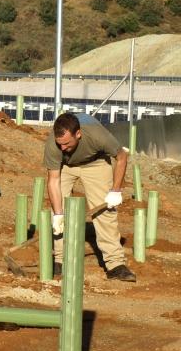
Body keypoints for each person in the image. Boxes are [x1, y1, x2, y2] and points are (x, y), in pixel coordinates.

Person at [44, 112, 135, 282]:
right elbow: (53, 180)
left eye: (67, 143)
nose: (62, 148)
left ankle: (115, 264)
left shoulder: (97, 135)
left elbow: (121, 157)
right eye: (60, 144)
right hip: (66, 166)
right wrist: (58, 214)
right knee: (58, 214)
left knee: (105, 211)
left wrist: (116, 190)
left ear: (78, 134)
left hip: (96, 163)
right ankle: (60, 261)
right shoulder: (53, 145)